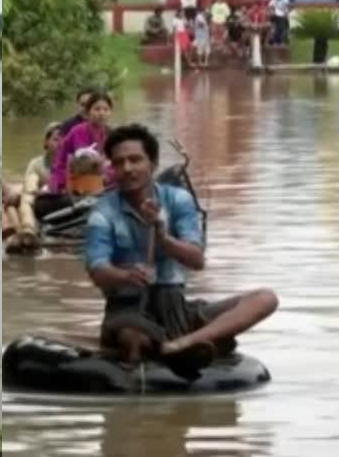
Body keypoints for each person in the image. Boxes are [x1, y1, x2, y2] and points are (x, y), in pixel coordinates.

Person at [82, 124, 278, 377]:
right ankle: (173, 347)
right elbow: (97, 269)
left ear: (152, 163)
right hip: (129, 308)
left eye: (135, 160)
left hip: (176, 306)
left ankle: (183, 343)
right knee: (133, 339)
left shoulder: (178, 200)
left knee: (265, 298)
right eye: (119, 163)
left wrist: (163, 238)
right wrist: (126, 275)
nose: (127, 168)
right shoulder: (103, 211)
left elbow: (197, 260)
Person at [49, 92, 114, 195]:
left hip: (101, 182)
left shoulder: (111, 134)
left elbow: (114, 163)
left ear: (110, 112)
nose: (102, 113)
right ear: (88, 112)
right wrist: (61, 185)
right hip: (72, 181)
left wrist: (107, 175)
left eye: (106, 109)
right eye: (97, 109)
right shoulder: (77, 131)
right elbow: (61, 163)